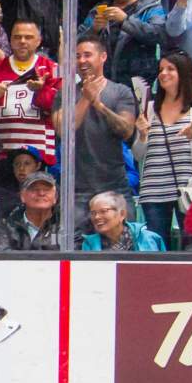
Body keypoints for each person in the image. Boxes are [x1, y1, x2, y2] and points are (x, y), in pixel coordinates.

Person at [53, 35, 138, 237]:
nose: (82, 61)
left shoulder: (120, 92)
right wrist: (85, 97)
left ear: (103, 57)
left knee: (126, 243)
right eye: (77, 56)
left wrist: (98, 104)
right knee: (74, 246)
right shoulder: (64, 93)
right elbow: (64, 129)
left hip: (115, 185)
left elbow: (126, 131)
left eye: (87, 55)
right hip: (76, 188)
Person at [132, 52, 192, 248]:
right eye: (161, 70)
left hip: (191, 190)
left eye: (170, 69)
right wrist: (142, 135)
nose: (163, 74)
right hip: (154, 190)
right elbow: (138, 154)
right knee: (155, 248)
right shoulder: (150, 108)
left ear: (184, 73)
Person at [77, 0, 165, 93]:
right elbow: (77, 42)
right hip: (102, 84)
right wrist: (94, 30)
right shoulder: (98, 11)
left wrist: (125, 21)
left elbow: (158, 34)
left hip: (138, 84)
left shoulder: (150, 8)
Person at [0, 19, 60, 166]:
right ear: (10, 40)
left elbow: (60, 111)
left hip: (40, 156)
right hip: (3, 155)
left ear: (38, 41)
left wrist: (42, 91)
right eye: (17, 37)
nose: (22, 41)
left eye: (28, 37)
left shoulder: (52, 69)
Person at [0, 170, 62, 250]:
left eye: (46, 190)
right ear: (22, 196)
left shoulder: (65, 226)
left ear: (55, 198)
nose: (41, 193)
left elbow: (72, 258)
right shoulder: (6, 226)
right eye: (35, 189)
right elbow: (1, 257)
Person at [81, 190, 166, 251]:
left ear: (122, 214)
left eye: (103, 211)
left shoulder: (148, 239)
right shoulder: (89, 243)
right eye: (93, 213)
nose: (97, 217)